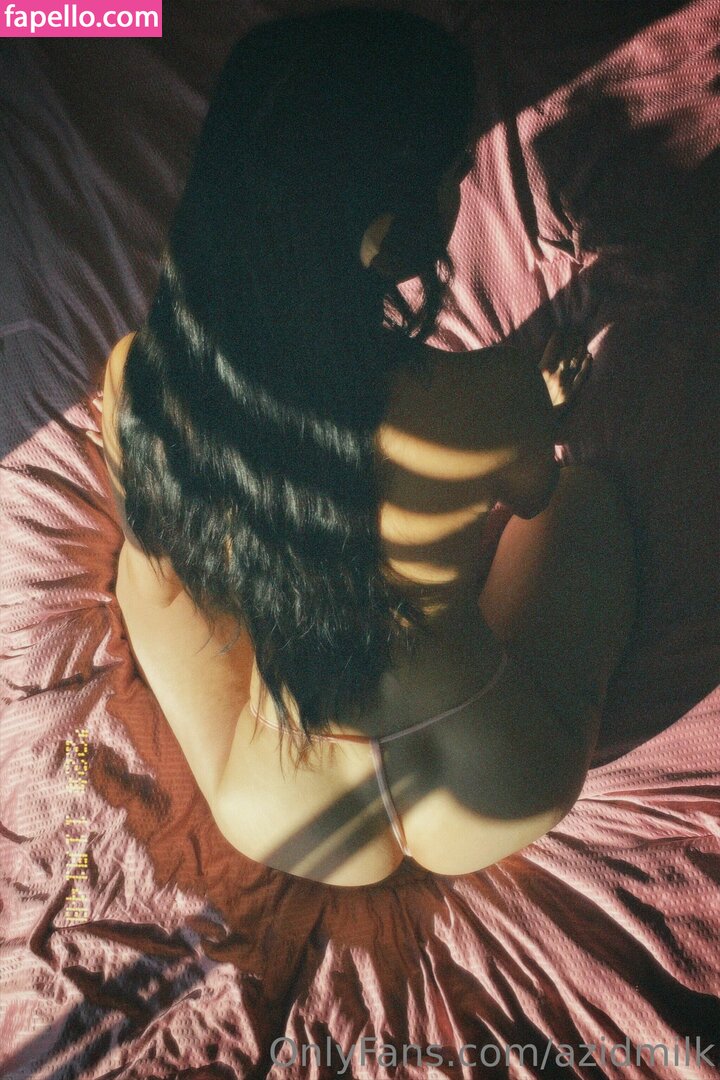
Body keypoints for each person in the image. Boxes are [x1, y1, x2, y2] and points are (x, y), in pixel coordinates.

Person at [86, 9, 634, 887]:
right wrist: (536, 408)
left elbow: (164, 574)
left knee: (144, 574)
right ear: (382, 224)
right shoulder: (492, 391)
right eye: (454, 173)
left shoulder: (145, 381)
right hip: (492, 773)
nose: (461, 187)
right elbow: (532, 497)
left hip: (289, 812)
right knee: (585, 503)